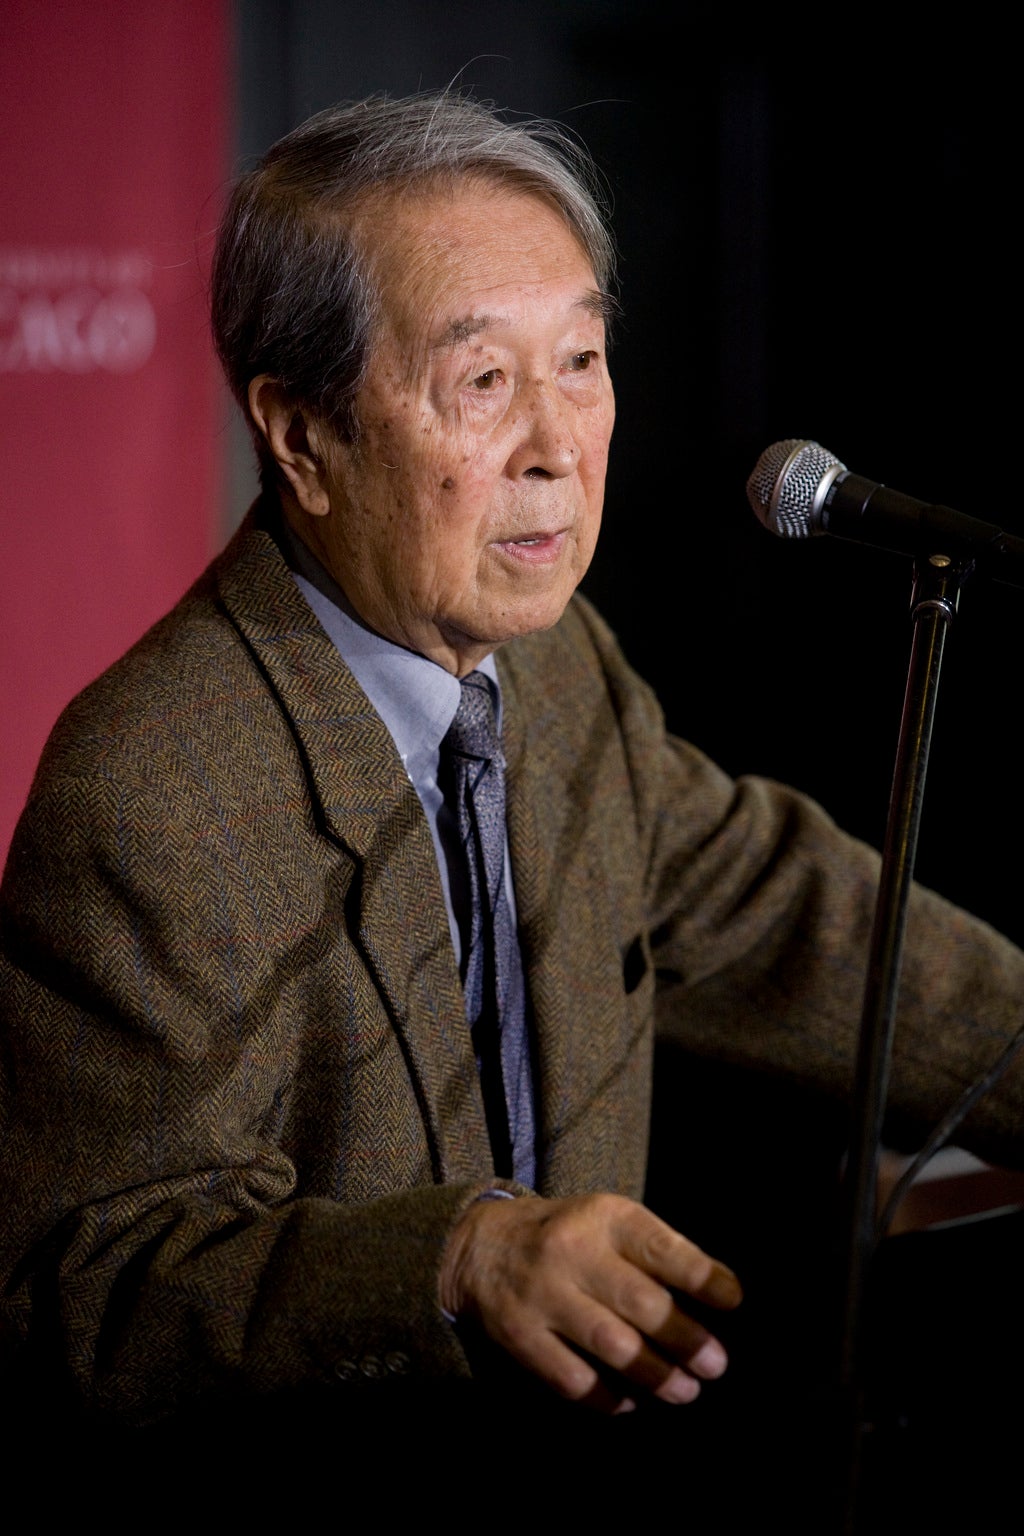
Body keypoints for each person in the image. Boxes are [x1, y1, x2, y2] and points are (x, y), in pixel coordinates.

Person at [2, 94, 1022, 1482]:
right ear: (302, 437)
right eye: (483, 383)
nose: (560, 445)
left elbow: (776, 911)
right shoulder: (149, 787)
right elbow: (88, 1284)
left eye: (585, 363)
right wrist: (457, 1256)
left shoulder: (556, 669)